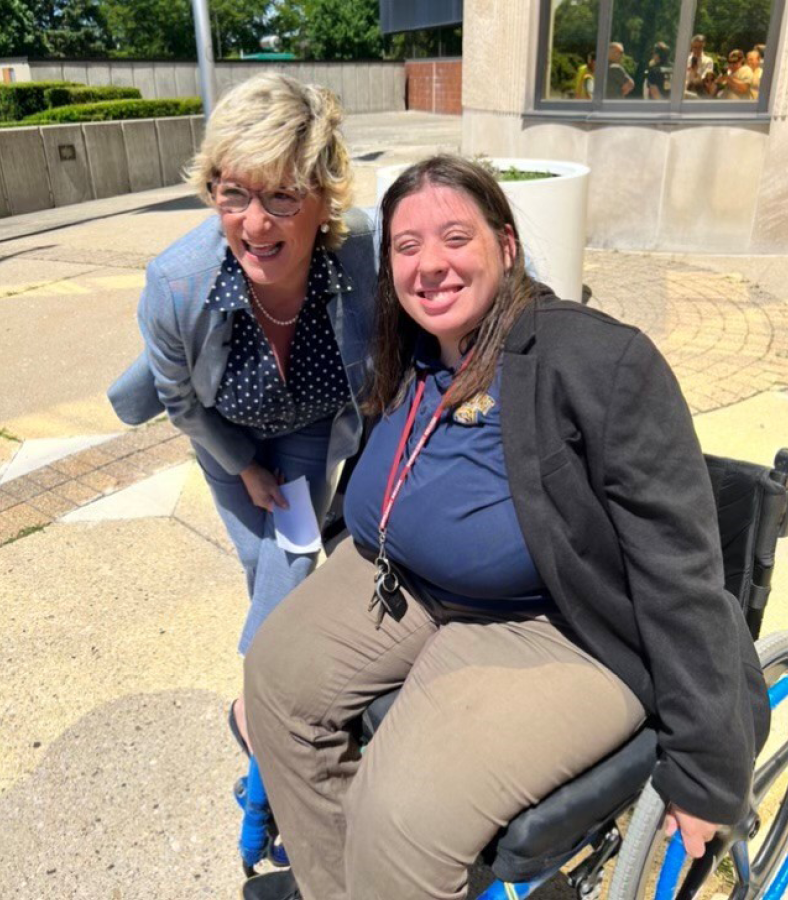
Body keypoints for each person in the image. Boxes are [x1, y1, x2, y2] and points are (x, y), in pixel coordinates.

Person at [242, 155, 770, 900]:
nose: (429, 265)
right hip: (405, 582)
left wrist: (709, 767)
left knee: (402, 815)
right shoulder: (414, 348)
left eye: (455, 237)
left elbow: (678, 569)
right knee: (274, 681)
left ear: (508, 247)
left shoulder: (597, 361)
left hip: (556, 624)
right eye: (406, 246)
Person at [108, 72, 376, 748]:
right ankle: (274, 687)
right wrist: (241, 465)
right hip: (222, 429)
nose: (254, 224)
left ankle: (255, 707)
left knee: (288, 557)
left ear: (324, 198)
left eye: (283, 196)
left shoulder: (366, 254)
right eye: (233, 194)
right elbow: (180, 399)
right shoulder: (176, 282)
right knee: (264, 563)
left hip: (311, 427)